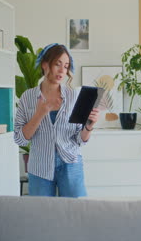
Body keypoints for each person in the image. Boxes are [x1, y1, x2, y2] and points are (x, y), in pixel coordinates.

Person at [14, 43, 99, 197]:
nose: (62, 71)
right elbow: (20, 139)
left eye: (66, 66)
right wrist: (39, 114)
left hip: (71, 165)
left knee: (77, 212)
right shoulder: (27, 97)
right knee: (42, 217)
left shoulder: (73, 97)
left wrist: (88, 126)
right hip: (40, 167)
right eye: (57, 64)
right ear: (45, 65)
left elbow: (80, 140)